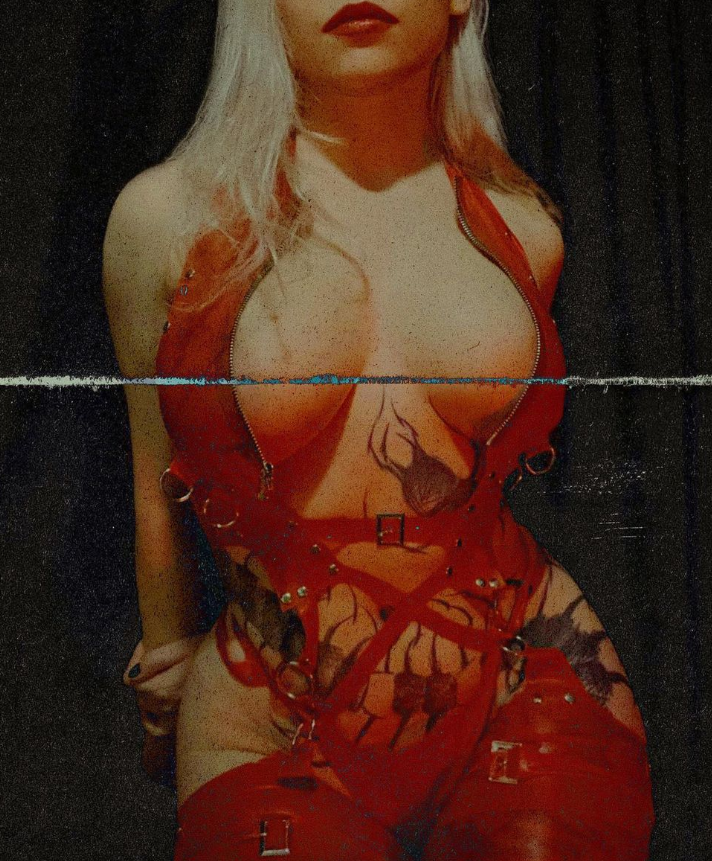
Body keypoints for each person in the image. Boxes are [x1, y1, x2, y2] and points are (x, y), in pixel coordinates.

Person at [103, 1, 654, 858]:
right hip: (271, 723)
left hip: (529, 683)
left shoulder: (521, 224)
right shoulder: (166, 220)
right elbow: (155, 477)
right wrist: (166, 642)